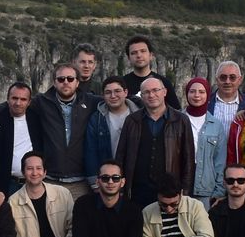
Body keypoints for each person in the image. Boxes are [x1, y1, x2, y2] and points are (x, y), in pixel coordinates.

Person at [116, 74, 194, 204]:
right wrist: (121, 188)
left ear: (164, 92)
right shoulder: (132, 120)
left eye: (155, 90)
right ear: (142, 96)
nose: (151, 95)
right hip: (137, 190)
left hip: (169, 191)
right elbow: (121, 155)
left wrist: (185, 191)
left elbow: (188, 159)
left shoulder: (181, 120)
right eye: (146, 92)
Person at [30, 63, 95, 187]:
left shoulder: (90, 101)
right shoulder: (41, 102)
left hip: (80, 181)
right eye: (61, 79)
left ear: (77, 83)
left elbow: (116, 99)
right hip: (49, 179)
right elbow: (17, 102)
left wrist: (135, 102)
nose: (66, 82)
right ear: (54, 83)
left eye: (70, 79)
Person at [0, 81, 38, 194]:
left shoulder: (37, 119)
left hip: (33, 183)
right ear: (7, 99)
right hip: (5, 185)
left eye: (23, 99)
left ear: (29, 102)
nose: (18, 103)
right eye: (14, 98)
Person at [185, 76, 228, 201]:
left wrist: (219, 191)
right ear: (187, 94)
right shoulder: (177, 120)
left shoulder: (216, 125)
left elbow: (220, 161)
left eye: (201, 92)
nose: (196, 95)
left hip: (206, 188)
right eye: (192, 91)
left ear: (208, 94)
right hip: (180, 187)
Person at [84, 74, 134, 177]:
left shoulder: (139, 115)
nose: (113, 96)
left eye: (117, 91)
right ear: (103, 95)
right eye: (108, 92)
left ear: (126, 92)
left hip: (135, 175)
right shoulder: (96, 119)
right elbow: (90, 151)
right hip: (107, 177)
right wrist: (94, 180)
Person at [123, 36, 178, 109]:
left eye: (143, 51)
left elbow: (176, 112)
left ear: (151, 55)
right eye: (134, 53)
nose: (139, 55)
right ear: (129, 58)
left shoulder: (164, 83)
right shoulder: (122, 84)